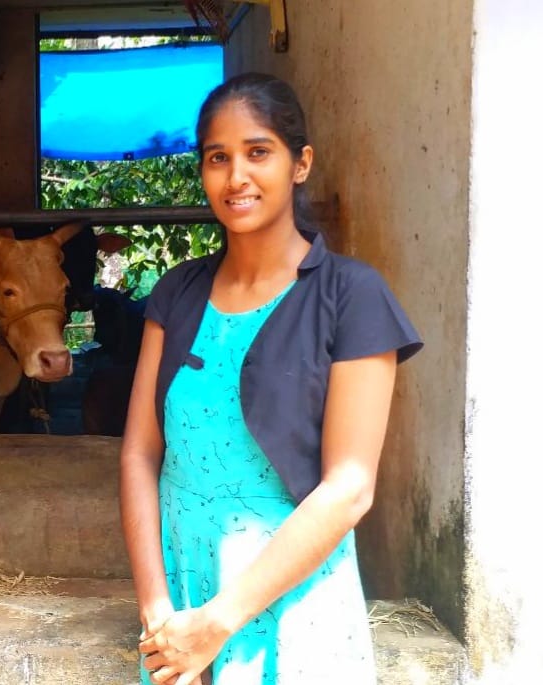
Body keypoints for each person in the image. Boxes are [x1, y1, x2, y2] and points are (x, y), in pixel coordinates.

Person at [120, 73, 422, 685]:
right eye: (217, 158)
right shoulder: (176, 294)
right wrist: (159, 614)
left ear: (299, 163)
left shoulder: (352, 296)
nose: (237, 177)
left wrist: (220, 621)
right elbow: (139, 454)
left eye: (258, 152)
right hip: (181, 599)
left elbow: (350, 488)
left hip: (294, 607)